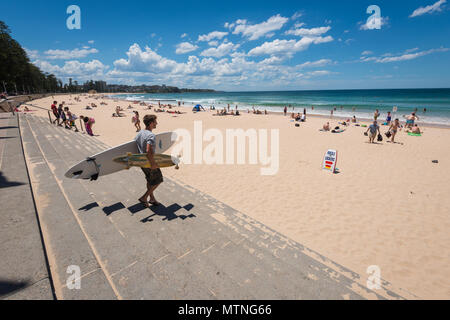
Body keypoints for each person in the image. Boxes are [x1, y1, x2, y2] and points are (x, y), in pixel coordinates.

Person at [135, 115, 163, 207]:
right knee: (159, 180)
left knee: (150, 180)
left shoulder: (140, 133)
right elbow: (148, 150)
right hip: (149, 162)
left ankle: (152, 198)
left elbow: (135, 145)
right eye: (155, 122)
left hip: (141, 162)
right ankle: (144, 197)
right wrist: (153, 164)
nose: (157, 123)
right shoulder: (151, 135)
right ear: (151, 123)